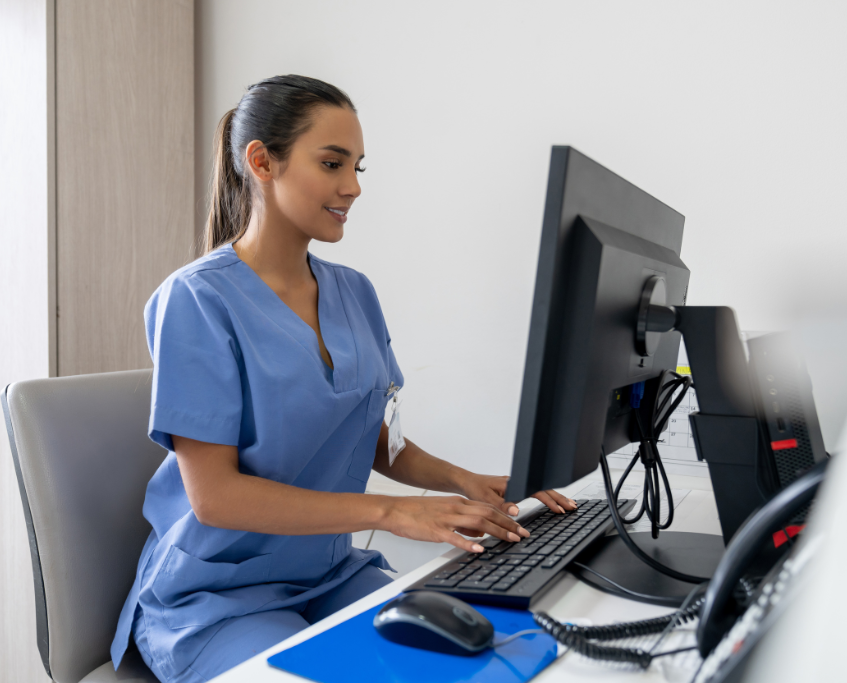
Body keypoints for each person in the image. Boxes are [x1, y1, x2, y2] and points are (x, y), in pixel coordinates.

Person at [110, 75, 576, 683]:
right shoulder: (196, 300)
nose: (352, 187)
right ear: (262, 162)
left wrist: (471, 483)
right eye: (332, 163)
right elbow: (215, 497)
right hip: (219, 596)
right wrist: (393, 512)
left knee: (478, 663)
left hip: (327, 574)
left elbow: (369, 435)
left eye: (358, 166)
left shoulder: (354, 292)